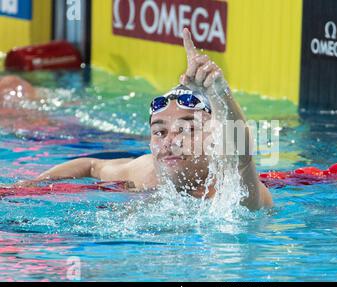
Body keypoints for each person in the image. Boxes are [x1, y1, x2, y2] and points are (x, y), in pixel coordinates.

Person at [25, 29, 273, 210]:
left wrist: (218, 93)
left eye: (185, 130)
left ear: (214, 136)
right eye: (160, 132)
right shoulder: (145, 172)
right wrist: (34, 185)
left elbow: (242, 153)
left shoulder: (234, 189)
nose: (169, 142)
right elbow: (91, 165)